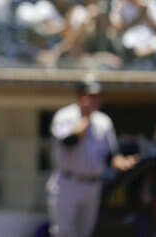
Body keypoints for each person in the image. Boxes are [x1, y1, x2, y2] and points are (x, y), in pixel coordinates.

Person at [46, 78, 138, 237]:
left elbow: (111, 155)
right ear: (80, 95)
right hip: (68, 183)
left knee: (85, 233)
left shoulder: (104, 121)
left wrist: (121, 162)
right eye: (90, 95)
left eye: (97, 96)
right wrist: (86, 118)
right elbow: (70, 142)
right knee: (63, 232)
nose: (94, 100)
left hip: (93, 185)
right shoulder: (65, 115)